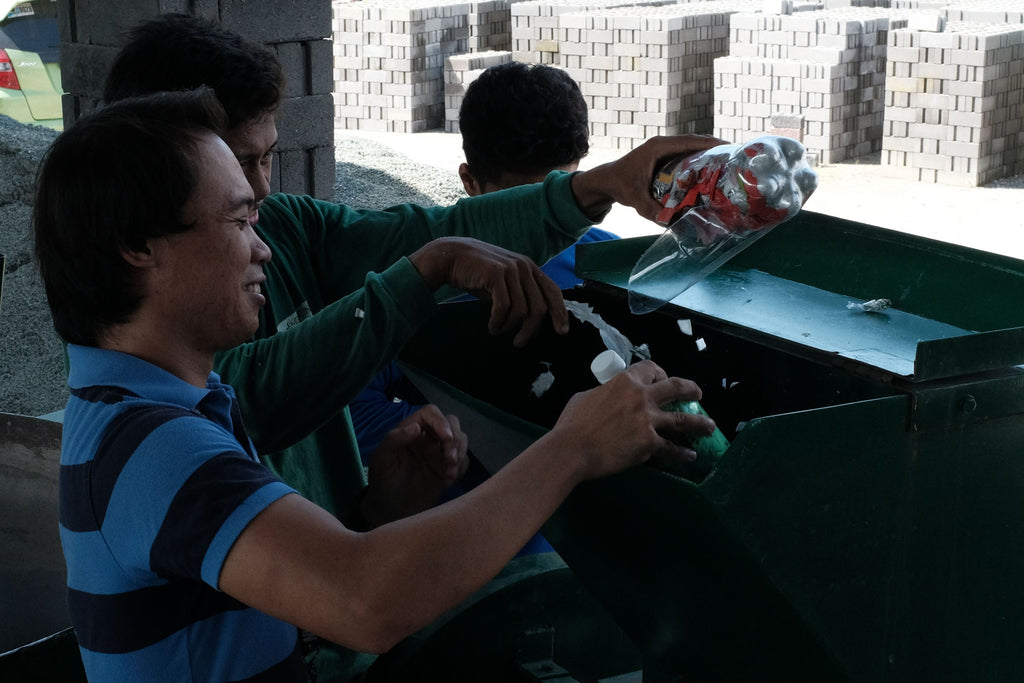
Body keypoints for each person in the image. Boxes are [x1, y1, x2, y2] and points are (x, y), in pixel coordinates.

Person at [39, 89, 715, 682]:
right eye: (238, 220)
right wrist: (574, 447)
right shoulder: (155, 446)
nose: (263, 247)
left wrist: (375, 516)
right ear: (139, 244)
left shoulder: (151, 410)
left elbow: (278, 613)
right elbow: (364, 603)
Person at [102, 13, 725, 529]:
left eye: (268, 158)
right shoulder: (151, 402)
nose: (260, 190)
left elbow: (417, 235)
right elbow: (250, 393)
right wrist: (570, 451)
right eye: (240, 163)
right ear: (156, 177)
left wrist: (595, 187)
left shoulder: (284, 227)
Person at [351, 61, 621, 458]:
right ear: (469, 182)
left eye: (565, 208)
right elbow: (345, 413)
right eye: (521, 212)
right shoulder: (419, 286)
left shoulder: (610, 263)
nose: (544, 237)